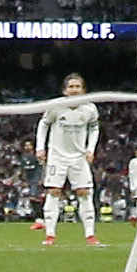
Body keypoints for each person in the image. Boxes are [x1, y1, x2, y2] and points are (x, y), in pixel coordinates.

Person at [38, 72, 104, 246]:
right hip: (57, 156)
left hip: (79, 157)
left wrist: (90, 149)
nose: (74, 90)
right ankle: (50, 235)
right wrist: (40, 148)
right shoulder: (56, 107)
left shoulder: (89, 109)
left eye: (78, 87)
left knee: (84, 192)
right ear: (65, 90)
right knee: (53, 191)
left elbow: (94, 128)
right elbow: (43, 125)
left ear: (83, 90)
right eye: (71, 87)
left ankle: (90, 235)